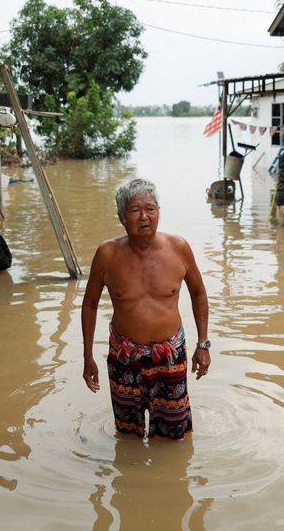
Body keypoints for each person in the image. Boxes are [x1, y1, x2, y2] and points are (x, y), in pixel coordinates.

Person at [82, 178, 210, 440]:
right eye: (135, 210)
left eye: (150, 209)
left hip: (170, 357)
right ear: (122, 217)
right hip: (124, 357)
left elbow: (198, 293)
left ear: (159, 211)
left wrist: (203, 344)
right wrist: (87, 356)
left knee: (175, 436)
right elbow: (90, 304)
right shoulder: (107, 254)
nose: (144, 217)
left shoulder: (179, 248)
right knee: (127, 435)